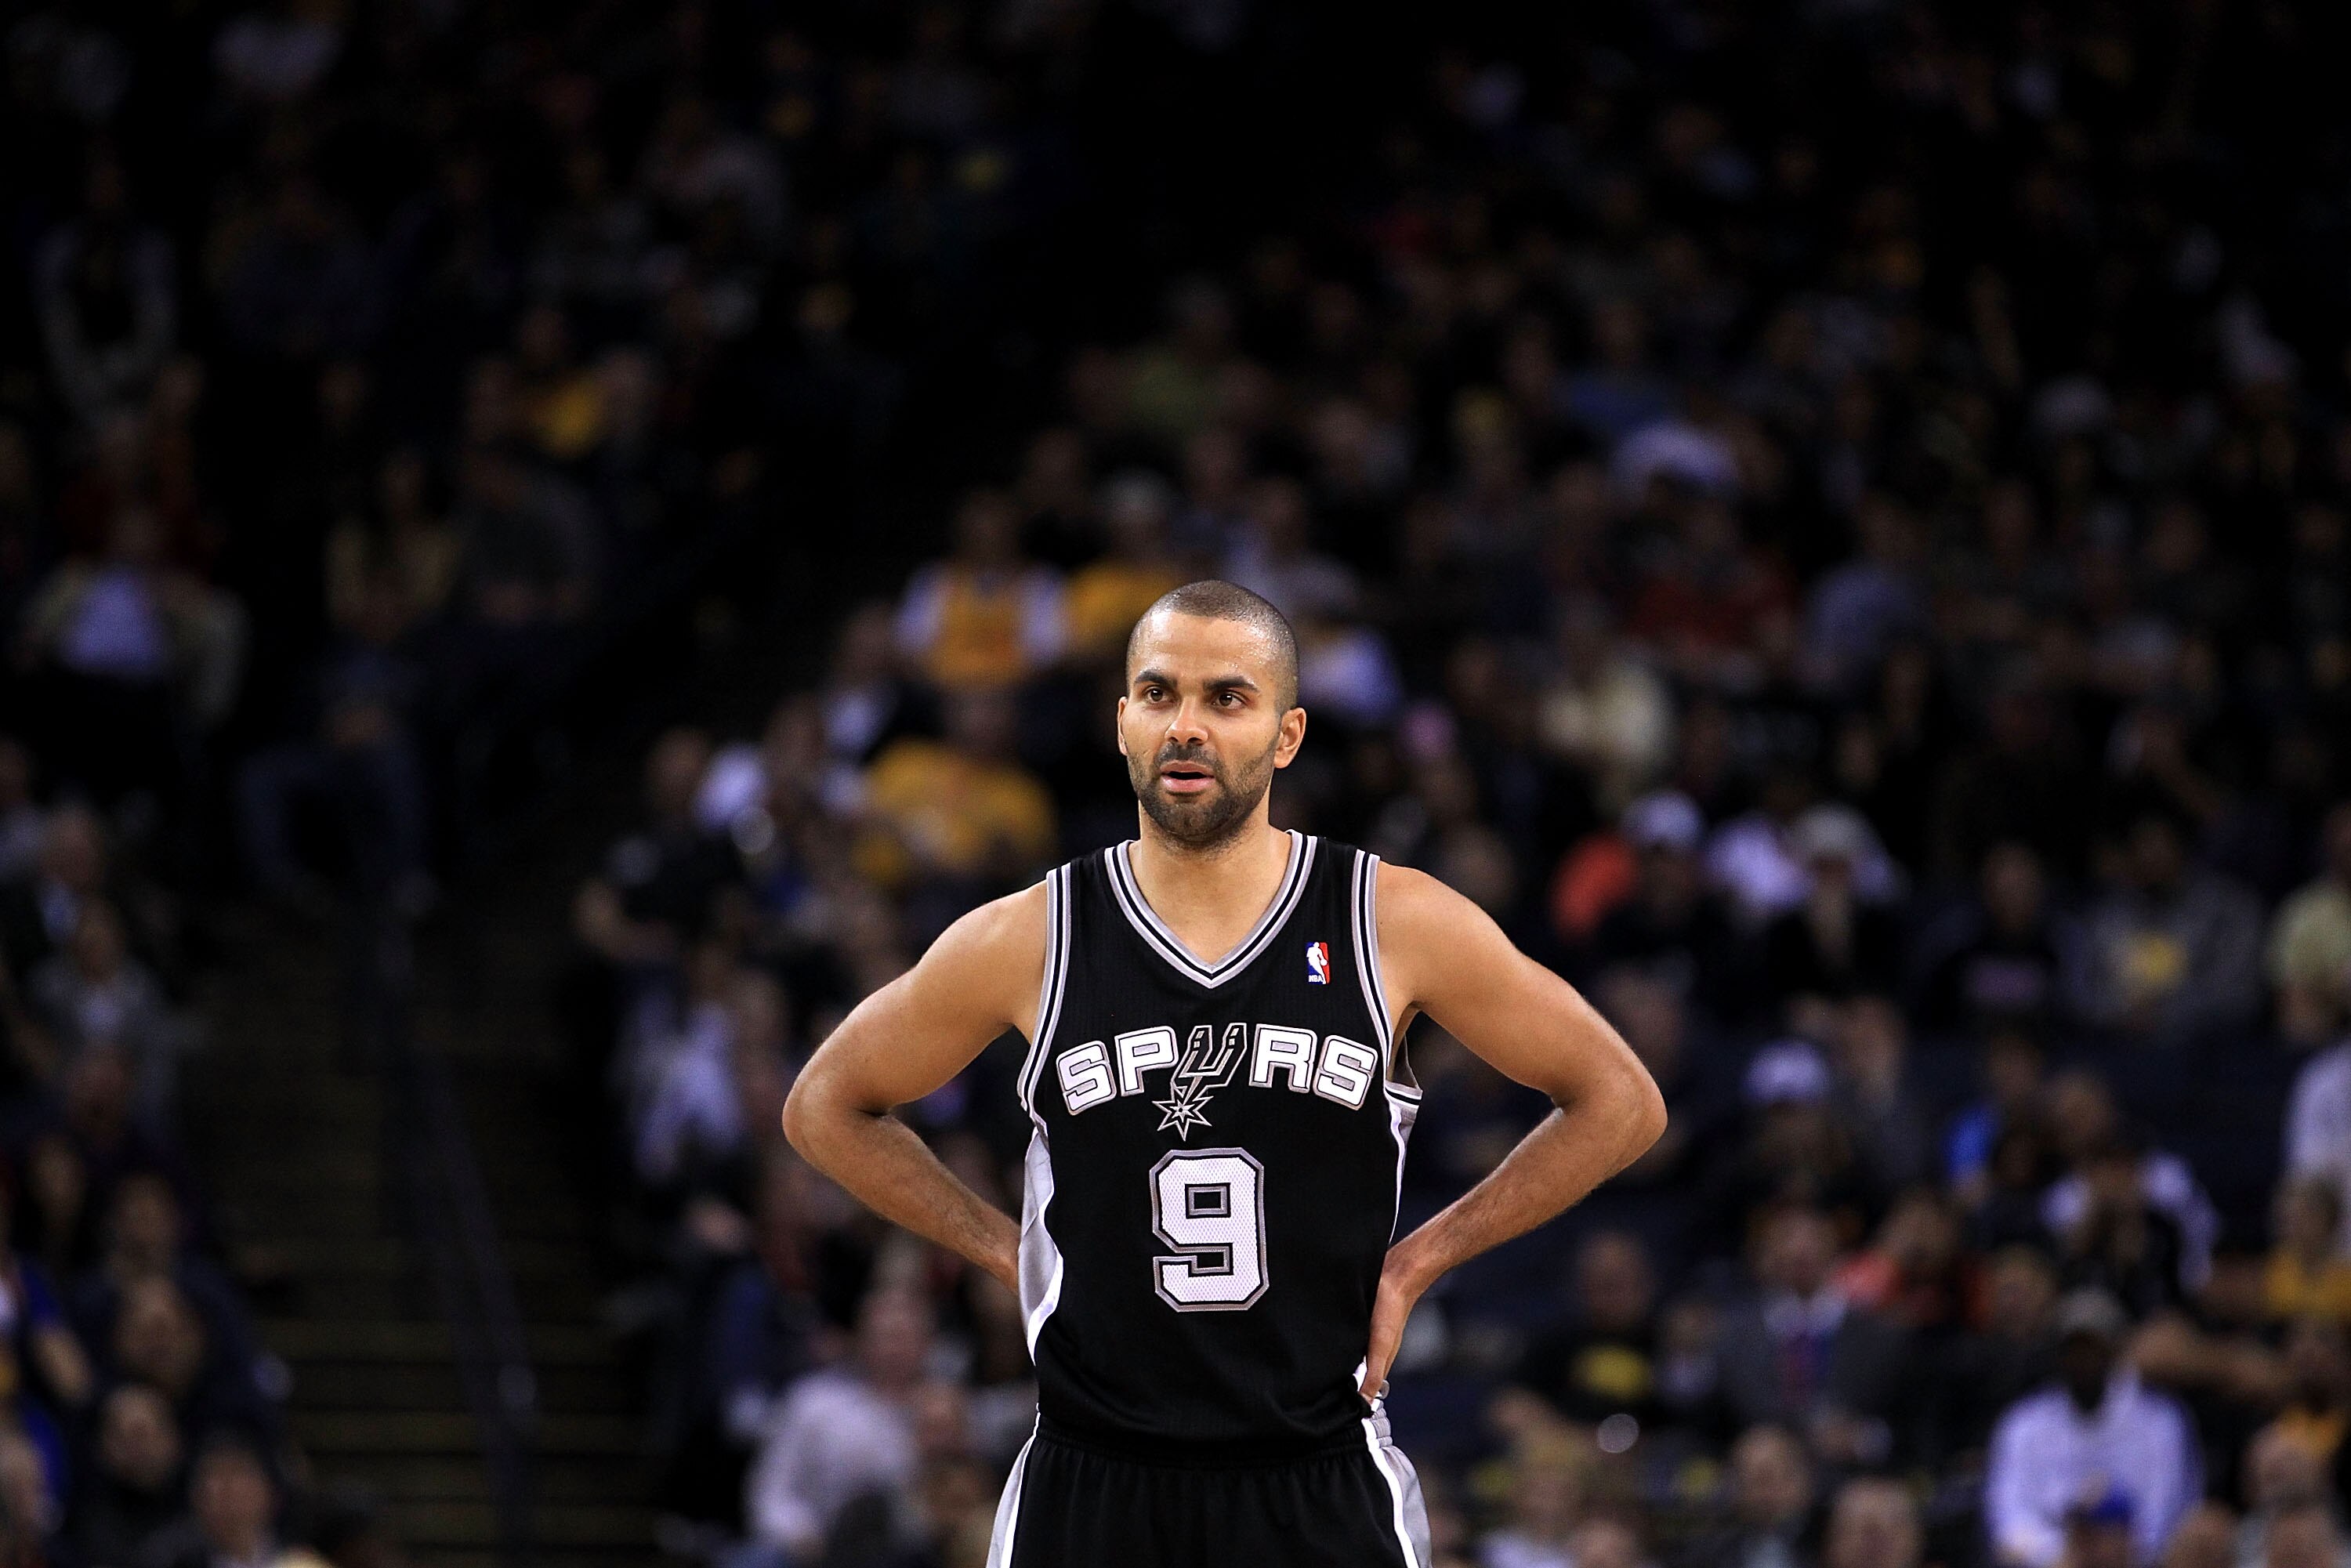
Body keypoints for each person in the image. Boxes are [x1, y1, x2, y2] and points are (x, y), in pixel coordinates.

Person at [785, 581, 1665, 1567]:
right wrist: (1001, 1249)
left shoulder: (1392, 920)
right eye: (1158, 694)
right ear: (1122, 722)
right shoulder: (1031, 935)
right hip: (1091, 1473)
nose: (1186, 726)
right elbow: (826, 1106)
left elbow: (1621, 1102)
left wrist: (1420, 1261)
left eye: (1226, 699)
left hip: (1317, 1469)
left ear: (1287, 735)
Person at [1983, 1288, 2198, 1566]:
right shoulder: (2025, 1425)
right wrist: (2062, 1555)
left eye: (2093, 1349)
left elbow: (2167, 1516)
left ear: (2115, 1350)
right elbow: (2010, 1519)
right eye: (2073, 1351)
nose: (2082, 1361)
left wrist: (2113, 1553)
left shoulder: (2159, 1422)